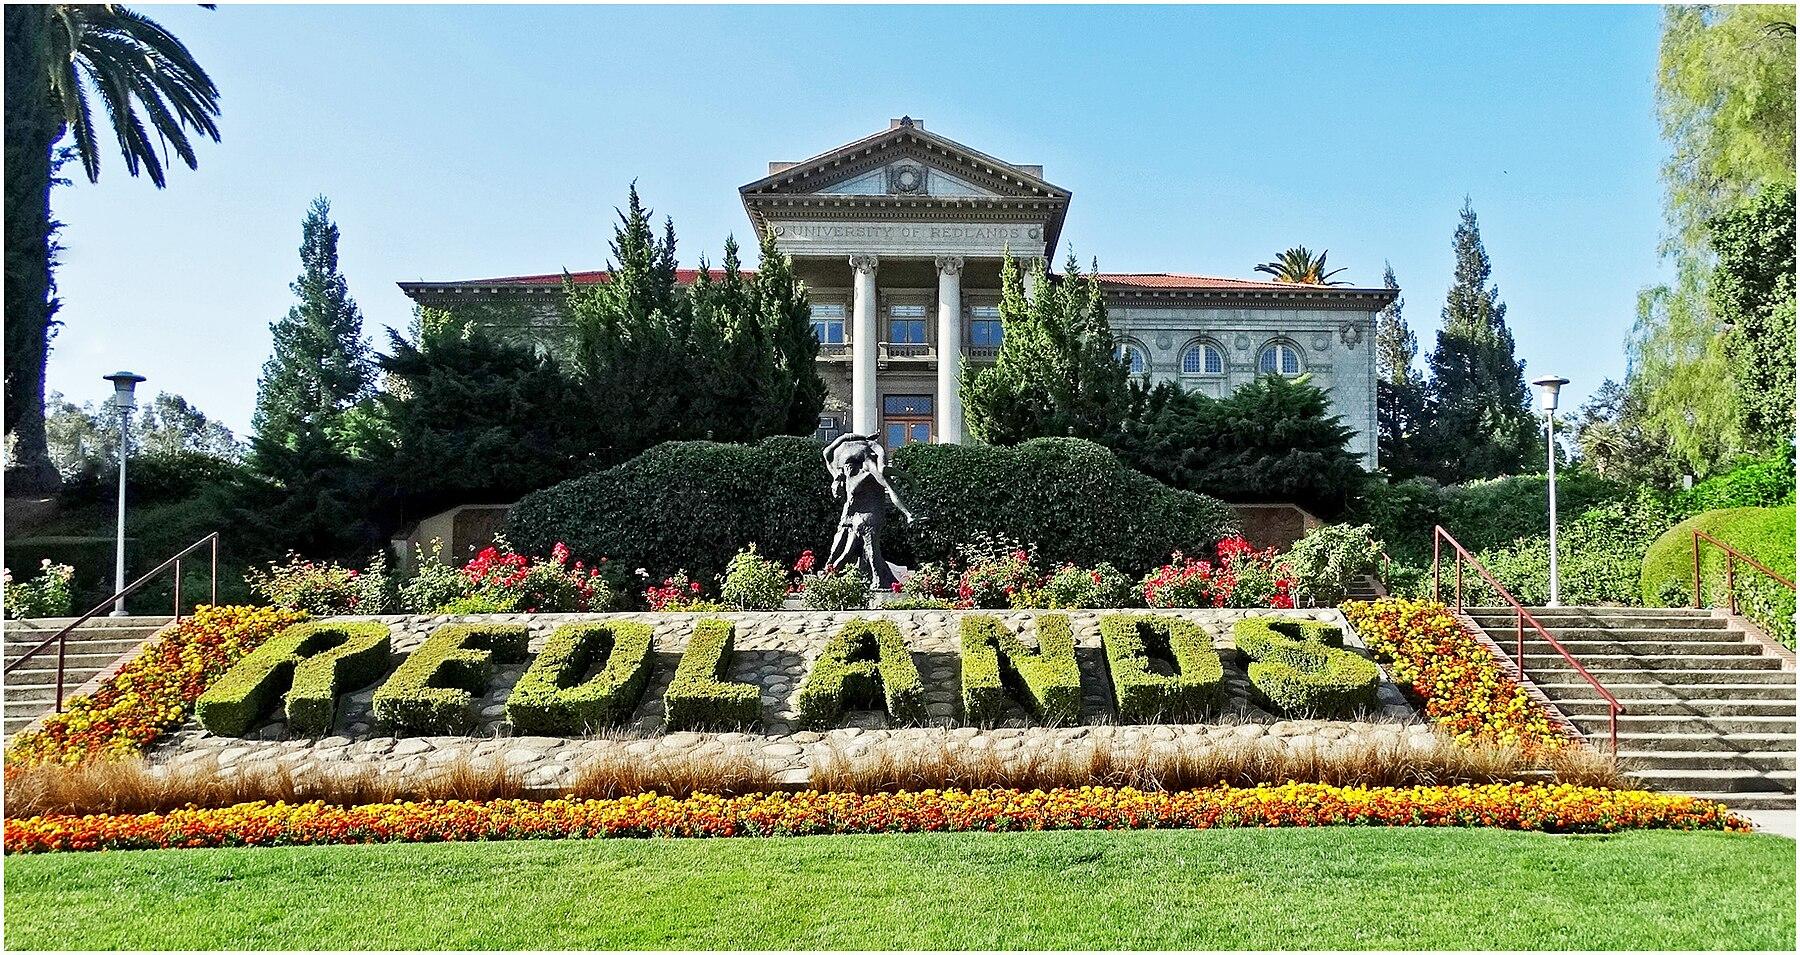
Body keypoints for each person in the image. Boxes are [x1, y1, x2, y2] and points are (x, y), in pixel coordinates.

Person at [821, 433, 917, 590]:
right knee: (843, 548)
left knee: (883, 471)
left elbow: (887, 484)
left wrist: (907, 512)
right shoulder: (837, 472)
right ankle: (829, 573)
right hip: (853, 517)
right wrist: (860, 437)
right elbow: (834, 445)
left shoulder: (865, 465)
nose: (848, 472)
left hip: (867, 514)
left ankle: (876, 579)